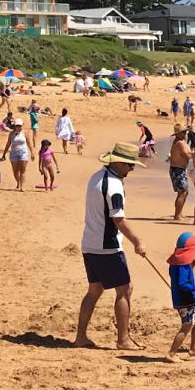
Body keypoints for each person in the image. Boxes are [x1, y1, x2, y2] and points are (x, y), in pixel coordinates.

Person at [74, 142, 146, 350]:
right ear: (119, 163)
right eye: (130, 165)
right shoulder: (114, 186)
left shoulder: (97, 176)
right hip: (107, 246)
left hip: (90, 242)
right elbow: (118, 219)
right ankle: (123, 339)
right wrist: (137, 242)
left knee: (94, 290)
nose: (131, 169)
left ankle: (81, 337)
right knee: (125, 288)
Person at [165, 232, 195, 362]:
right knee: (187, 325)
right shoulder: (181, 266)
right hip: (185, 301)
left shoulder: (178, 263)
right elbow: (182, 284)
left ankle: (194, 349)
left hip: (191, 300)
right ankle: (171, 353)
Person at [167, 124, 192, 221]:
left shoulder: (182, 141)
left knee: (185, 192)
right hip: (177, 169)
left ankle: (180, 213)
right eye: (182, 132)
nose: (185, 134)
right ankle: (177, 215)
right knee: (182, 192)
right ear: (177, 134)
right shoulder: (179, 142)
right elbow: (186, 156)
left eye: (185, 132)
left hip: (180, 169)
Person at [2, 118, 33, 191]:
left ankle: (22, 187)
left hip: (23, 153)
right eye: (17, 125)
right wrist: (4, 153)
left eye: (19, 125)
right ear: (15, 126)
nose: (18, 127)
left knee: (22, 170)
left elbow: (29, 144)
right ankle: (18, 182)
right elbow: (8, 143)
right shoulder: (11, 134)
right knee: (15, 170)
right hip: (13, 153)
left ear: (22, 125)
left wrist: (32, 153)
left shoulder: (25, 133)